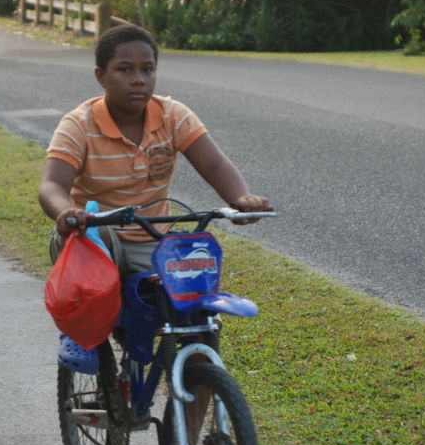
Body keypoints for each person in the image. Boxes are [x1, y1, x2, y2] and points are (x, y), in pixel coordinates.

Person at [38, 24, 269, 274]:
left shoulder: (173, 115)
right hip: (90, 238)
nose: (139, 79)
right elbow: (52, 185)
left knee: (193, 297)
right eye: (125, 69)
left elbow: (215, 164)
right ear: (101, 76)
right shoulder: (78, 125)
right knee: (101, 241)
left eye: (147, 70)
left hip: (155, 242)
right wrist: (68, 211)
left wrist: (242, 199)